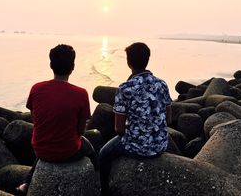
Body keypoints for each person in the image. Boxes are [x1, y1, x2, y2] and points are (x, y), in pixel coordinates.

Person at [16, 44, 97, 195]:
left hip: (40, 149)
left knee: (48, 145)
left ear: (51, 65)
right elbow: (80, 131)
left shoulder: (36, 88)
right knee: (90, 148)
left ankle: (27, 182)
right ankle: (99, 183)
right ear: (72, 66)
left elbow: (36, 119)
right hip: (68, 151)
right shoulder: (81, 93)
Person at [99, 42, 172, 196]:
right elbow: (169, 119)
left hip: (136, 147)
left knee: (103, 153)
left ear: (128, 62)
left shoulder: (125, 88)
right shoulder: (162, 84)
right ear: (147, 59)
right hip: (160, 146)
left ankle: (104, 191)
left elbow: (119, 129)